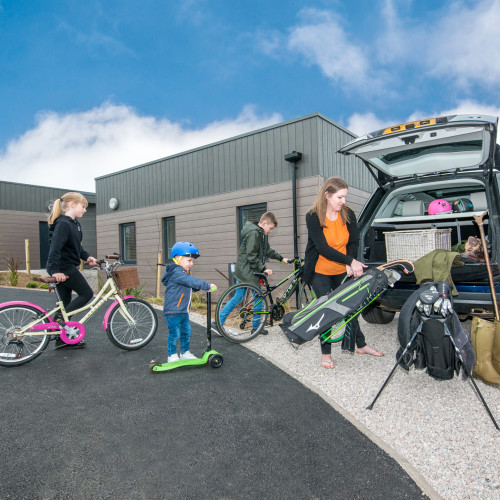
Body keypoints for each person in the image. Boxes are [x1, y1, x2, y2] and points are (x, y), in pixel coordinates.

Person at [303, 177, 383, 369]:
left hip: (341, 269)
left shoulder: (347, 214)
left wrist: (349, 261)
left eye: (345, 197)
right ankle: (326, 354)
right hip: (320, 271)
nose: (343, 201)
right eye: (340, 197)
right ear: (327, 196)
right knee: (326, 311)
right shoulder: (313, 216)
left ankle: (361, 345)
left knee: (351, 309)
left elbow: (353, 241)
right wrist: (350, 261)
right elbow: (322, 248)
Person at [214, 211, 291, 335]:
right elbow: (251, 255)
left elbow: (267, 250)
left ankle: (219, 322)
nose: (270, 231)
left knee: (240, 297)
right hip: (248, 270)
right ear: (264, 223)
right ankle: (255, 327)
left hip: (246, 269)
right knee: (258, 296)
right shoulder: (254, 233)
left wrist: (281, 258)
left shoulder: (261, 234)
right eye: (270, 228)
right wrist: (263, 268)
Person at [46, 192, 99, 349]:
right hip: (63, 268)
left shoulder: (74, 224)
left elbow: (76, 247)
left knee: (65, 303)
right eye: (83, 207)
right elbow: (55, 249)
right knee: (87, 294)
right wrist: (55, 271)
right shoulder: (63, 224)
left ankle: (62, 338)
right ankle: (61, 324)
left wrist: (87, 257)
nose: (84, 210)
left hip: (67, 266)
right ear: (72, 204)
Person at [162, 241, 217, 362]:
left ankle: (184, 352)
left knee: (186, 332)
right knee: (175, 334)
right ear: (178, 258)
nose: (191, 264)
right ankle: (172, 355)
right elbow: (191, 281)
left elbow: (191, 285)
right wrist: (206, 285)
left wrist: (201, 287)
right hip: (173, 310)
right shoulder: (176, 272)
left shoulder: (183, 274)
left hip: (183, 310)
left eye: (192, 261)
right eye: (189, 260)